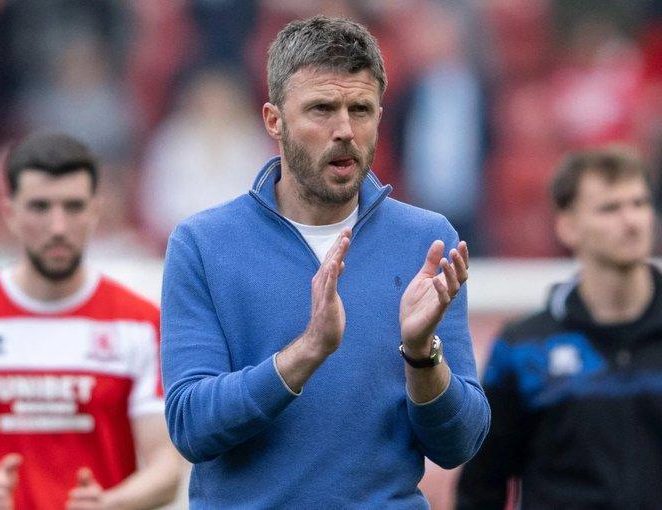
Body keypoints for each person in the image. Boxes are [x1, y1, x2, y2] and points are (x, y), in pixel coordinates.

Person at [161, 15, 490, 509]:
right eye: (322, 109)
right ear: (273, 120)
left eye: (361, 109)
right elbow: (191, 427)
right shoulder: (203, 244)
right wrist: (309, 350)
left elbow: (459, 444)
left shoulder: (427, 241)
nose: (345, 131)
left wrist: (422, 355)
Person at [0, 133, 183, 509]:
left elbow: (166, 466)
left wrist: (110, 504)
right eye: (40, 207)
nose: (58, 226)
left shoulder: (140, 324)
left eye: (73, 207)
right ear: (9, 212)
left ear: (95, 211)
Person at [457, 147, 661, 509]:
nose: (631, 221)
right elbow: (482, 486)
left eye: (639, 203)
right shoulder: (525, 349)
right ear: (567, 226)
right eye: (610, 208)